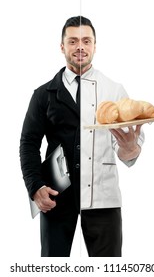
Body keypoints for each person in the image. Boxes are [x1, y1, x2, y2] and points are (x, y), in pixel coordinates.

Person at [20, 16, 144, 257]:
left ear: (95, 46)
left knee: (109, 270)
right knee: (52, 268)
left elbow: (131, 147)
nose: (80, 47)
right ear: (62, 46)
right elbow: (28, 144)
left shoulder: (114, 90)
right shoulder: (43, 94)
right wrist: (35, 187)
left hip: (103, 199)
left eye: (86, 41)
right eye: (73, 41)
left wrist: (130, 150)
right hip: (56, 198)